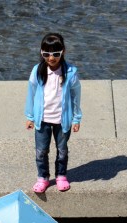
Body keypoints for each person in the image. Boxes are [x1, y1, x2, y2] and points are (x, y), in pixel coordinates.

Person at [25, 32, 82, 193]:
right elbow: (31, 92)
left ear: (63, 52)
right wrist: (30, 116)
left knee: (62, 150)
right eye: (46, 54)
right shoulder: (37, 70)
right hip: (42, 119)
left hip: (63, 119)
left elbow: (76, 96)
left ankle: (61, 175)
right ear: (41, 52)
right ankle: (43, 177)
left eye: (56, 54)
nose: (51, 58)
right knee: (41, 151)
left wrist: (77, 118)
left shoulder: (70, 72)